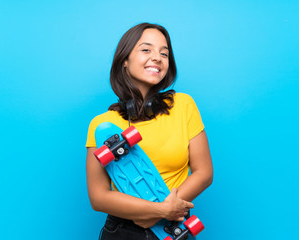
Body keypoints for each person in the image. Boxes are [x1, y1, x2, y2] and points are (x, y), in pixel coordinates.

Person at [86, 23, 213, 240]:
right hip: (123, 230)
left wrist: (166, 209)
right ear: (124, 61)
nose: (157, 57)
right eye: (146, 50)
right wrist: (158, 211)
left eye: (164, 53)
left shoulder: (183, 105)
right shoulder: (103, 125)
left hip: (172, 228)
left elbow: (204, 173)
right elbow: (99, 197)